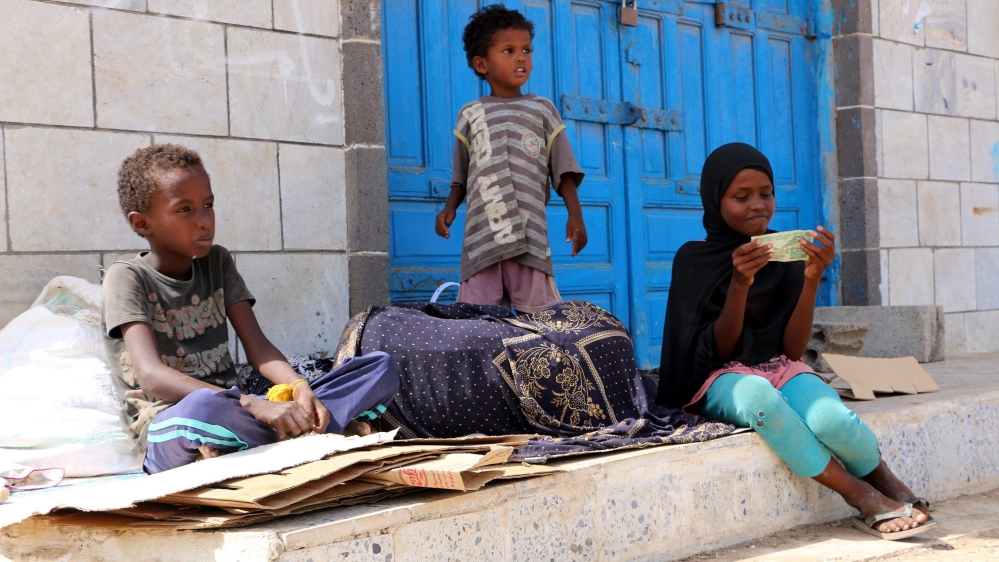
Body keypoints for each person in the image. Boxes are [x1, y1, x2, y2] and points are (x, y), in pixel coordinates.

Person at [655, 143, 935, 540]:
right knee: (758, 399)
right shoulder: (693, 259)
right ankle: (861, 496)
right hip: (717, 378)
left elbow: (792, 350)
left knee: (830, 418)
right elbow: (716, 354)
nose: (757, 205)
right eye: (741, 197)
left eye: (766, 193)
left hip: (776, 365)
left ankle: (885, 480)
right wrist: (739, 284)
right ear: (715, 201)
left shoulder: (782, 252)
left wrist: (811, 280)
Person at [101, 144, 398, 474]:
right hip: (174, 426)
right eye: (184, 209)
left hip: (241, 417)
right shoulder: (126, 277)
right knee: (202, 408)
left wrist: (300, 388)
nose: (204, 221)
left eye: (208, 205)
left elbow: (258, 348)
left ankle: (283, 433)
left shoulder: (218, 262)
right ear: (142, 223)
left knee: (379, 368)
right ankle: (297, 435)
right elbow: (152, 377)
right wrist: (252, 404)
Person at [434, 4, 586, 313]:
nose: (521, 57)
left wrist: (575, 215)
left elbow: (563, 169)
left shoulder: (542, 110)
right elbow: (462, 176)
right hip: (482, 239)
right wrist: (449, 207)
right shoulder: (470, 114)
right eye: (508, 50)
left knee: (540, 318)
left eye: (526, 50)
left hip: (529, 237)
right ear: (482, 64)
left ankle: (536, 363)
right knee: (478, 320)